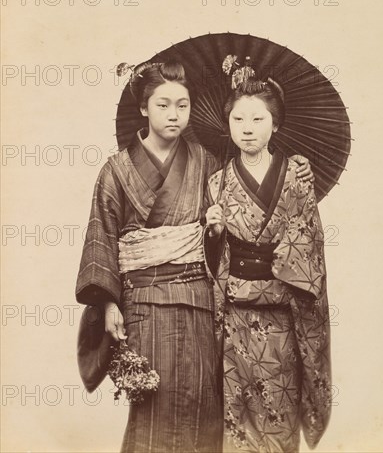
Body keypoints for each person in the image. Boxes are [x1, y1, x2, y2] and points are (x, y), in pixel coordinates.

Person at [75, 60, 314, 453]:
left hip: (201, 300)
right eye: (163, 105)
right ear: (143, 108)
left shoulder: (206, 162)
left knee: (205, 402)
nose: (174, 115)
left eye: (182, 105)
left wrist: (298, 165)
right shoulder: (116, 171)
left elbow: (247, 194)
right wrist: (108, 301)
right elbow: (101, 236)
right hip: (145, 303)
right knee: (154, 407)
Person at [205, 75, 331, 453]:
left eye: (258, 120)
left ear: (275, 123)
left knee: (278, 412)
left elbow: (311, 239)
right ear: (227, 124)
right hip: (236, 314)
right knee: (238, 417)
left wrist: (280, 257)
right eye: (238, 120)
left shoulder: (297, 175)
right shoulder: (217, 182)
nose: (247, 130)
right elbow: (214, 258)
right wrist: (213, 232)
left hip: (282, 314)